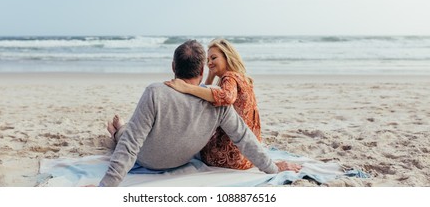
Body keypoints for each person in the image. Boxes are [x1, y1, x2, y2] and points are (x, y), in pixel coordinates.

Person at [99, 40, 300, 187]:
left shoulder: (155, 91)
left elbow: (130, 145)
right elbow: (243, 137)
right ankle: (120, 128)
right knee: (133, 131)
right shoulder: (216, 101)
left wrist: (105, 188)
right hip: (181, 160)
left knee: (126, 134)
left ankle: (116, 130)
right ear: (202, 71)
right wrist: (273, 168)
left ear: (173, 67)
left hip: (147, 160)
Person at [164, 38, 260, 170]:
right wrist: (211, 75)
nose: (209, 63)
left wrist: (186, 88)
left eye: (213, 58)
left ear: (227, 57)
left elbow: (226, 97)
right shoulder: (240, 77)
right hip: (248, 156)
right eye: (207, 60)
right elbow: (208, 91)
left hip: (229, 157)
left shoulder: (229, 77)